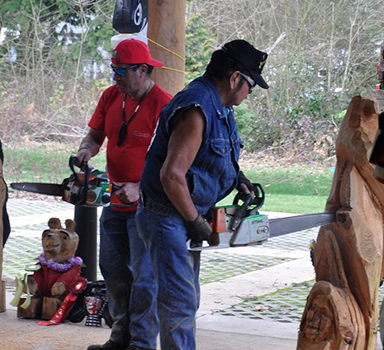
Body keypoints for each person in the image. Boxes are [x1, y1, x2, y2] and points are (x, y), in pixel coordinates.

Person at [135, 39, 269, 350]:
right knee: (178, 304)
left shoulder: (221, 108)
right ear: (235, 78)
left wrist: (239, 179)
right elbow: (171, 175)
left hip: (181, 214)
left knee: (185, 299)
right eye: (250, 85)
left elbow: (214, 157)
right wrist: (195, 222)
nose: (250, 93)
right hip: (167, 216)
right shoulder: (196, 108)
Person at [76, 39, 172, 350]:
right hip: (114, 202)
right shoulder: (111, 96)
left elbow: (175, 163)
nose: (115, 77)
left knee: (145, 280)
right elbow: (94, 134)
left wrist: (140, 187)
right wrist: (86, 149)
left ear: (142, 70)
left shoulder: (165, 106)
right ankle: (120, 338)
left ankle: (141, 344)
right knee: (113, 273)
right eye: (113, 70)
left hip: (148, 207)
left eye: (121, 71)